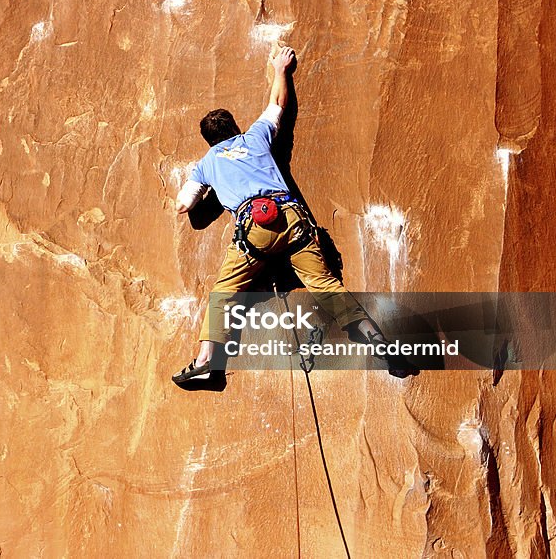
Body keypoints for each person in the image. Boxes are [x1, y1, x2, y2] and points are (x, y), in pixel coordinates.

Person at [172, 45, 417, 383]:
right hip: (293, 219)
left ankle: (206, 362)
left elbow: (184, 205)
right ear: (234, 127)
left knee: (224, 293)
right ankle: (378, 341)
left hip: (253, 229)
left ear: (209, 140)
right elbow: (277, 105)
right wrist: (280, 70)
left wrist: (210, 184)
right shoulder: (255, 137)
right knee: (325, 284)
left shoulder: (207, 162)